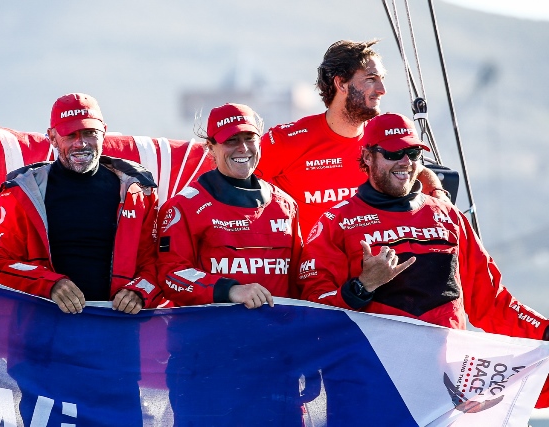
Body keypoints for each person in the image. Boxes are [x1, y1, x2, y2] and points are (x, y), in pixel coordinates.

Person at [297, 112, 549, 424]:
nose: (405, 162)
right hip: (369, 395)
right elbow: (309, 313)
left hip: (441, 398)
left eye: (413, 153)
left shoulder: (449, 217)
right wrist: (362, 287)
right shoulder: (335, 223)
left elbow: (492, 302)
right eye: (392, 154)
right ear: (367, 156)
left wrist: (544, 330)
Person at [0, 93, 161, 426]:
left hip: (115, 350)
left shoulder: (137, 192)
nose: (81, 142)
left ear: (104, 132)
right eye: (71, 134)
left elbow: (155, 265)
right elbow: (0, 264)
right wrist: (52, 284)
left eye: (89, 132)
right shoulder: (26, 191)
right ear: (52, 137)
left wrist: (140, 290)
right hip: (43, 352)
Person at [157, 103, 310, 425]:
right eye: (230, 141)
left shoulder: (286, 206)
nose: (242, 149)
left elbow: (301, 284)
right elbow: (170, 274)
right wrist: (230, 290)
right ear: (210, 147)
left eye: (249, 138)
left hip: (275, 367)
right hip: (206, 367)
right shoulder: (185, 205)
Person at [257, 39, 448, 234]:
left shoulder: (380, 134)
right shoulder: (287, 140)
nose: (382, 89)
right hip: (312, 262)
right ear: (341, 83)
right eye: (371, 79)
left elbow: (418, 170)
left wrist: (439, 197)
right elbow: (231, 182)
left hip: (372, 260)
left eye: (381, 79)